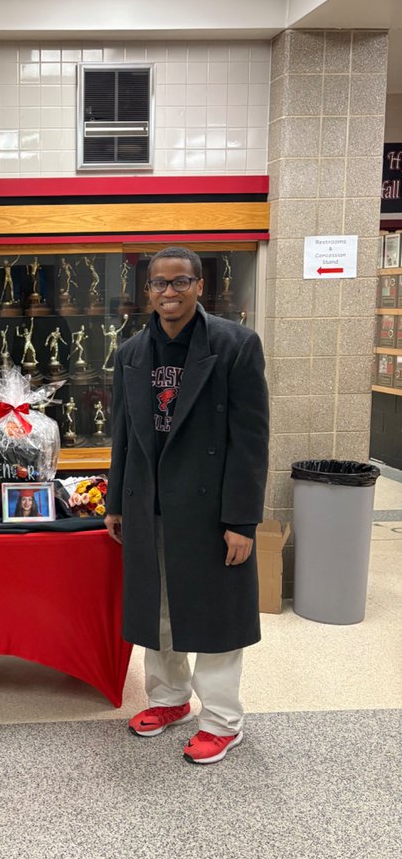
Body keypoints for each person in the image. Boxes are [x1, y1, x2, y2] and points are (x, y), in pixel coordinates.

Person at [104, 246, 268, 766]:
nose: (168, 292)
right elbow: (123, 435)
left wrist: (242, 520)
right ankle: (169, 701)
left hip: (210, 506)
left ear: (200, 285)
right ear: (147, 290)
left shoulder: (236, 345)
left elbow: (250, 440)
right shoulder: (131, 351)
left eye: (180, 282)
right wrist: (116, 500)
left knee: (215, 616)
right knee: (160, 609)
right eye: (159, 283)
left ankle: (222, 722)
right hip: (148, 502)